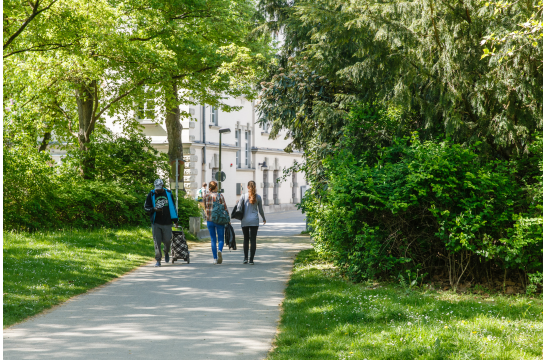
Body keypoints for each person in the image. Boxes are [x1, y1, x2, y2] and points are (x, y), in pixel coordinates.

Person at [144, 179, 179, 267]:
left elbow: (172, 207)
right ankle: (158, 259)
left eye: (159, 188)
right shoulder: (151, 194)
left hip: (167, 222)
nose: (157, 190)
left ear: (162, 186)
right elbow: (146, 207)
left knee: (167, 241)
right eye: (156, 188)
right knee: (157, 241)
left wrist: (175, 220)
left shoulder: (168, 193)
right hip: (156, 222)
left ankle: (166, 251)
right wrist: (153, 209)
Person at [235, 180, 266, 265]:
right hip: (254, 221)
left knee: (245, 239)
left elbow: (239, 208)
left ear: (247, 187)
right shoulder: (258, 197)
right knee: (253, 240)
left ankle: (245, 258)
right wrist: (263, 218)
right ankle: (251, 260)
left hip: (245, 220)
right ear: (255, 187)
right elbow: (260, 210)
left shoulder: (243, 196)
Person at [203, 181, 229, 264]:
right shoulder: (220, 196)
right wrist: (228, 218)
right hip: (219, 220)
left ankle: (214, 259)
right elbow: (225, 208)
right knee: (221, 239)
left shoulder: (206, 196)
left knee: (213, 239)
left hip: (209, 220)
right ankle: (220, 251)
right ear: (216, 187)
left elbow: (205, 207)